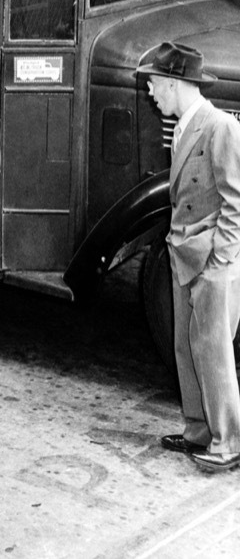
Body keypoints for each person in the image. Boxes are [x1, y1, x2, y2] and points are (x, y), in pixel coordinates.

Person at [138, 42, 240, 473]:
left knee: (213, 352)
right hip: (183, 255)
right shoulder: (182, 127)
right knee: (185, 348)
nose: (151, 94)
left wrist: (219, 267)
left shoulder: (220, 128)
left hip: (211, 262)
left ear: (177, 84)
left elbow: (236, 204)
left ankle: (229, 443)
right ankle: (199, 429)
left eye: (155, 85)